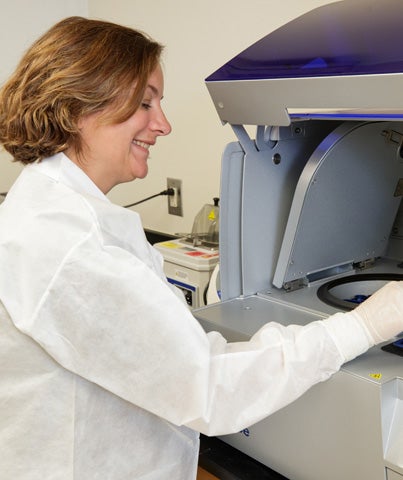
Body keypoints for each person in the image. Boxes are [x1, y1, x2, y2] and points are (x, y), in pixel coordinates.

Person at [0, 16, 402, 480]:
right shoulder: (70, 245)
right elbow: (209, 387)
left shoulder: (51, 212)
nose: (163, 124)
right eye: (144, 102)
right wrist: (366, 325)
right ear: (77, 106)